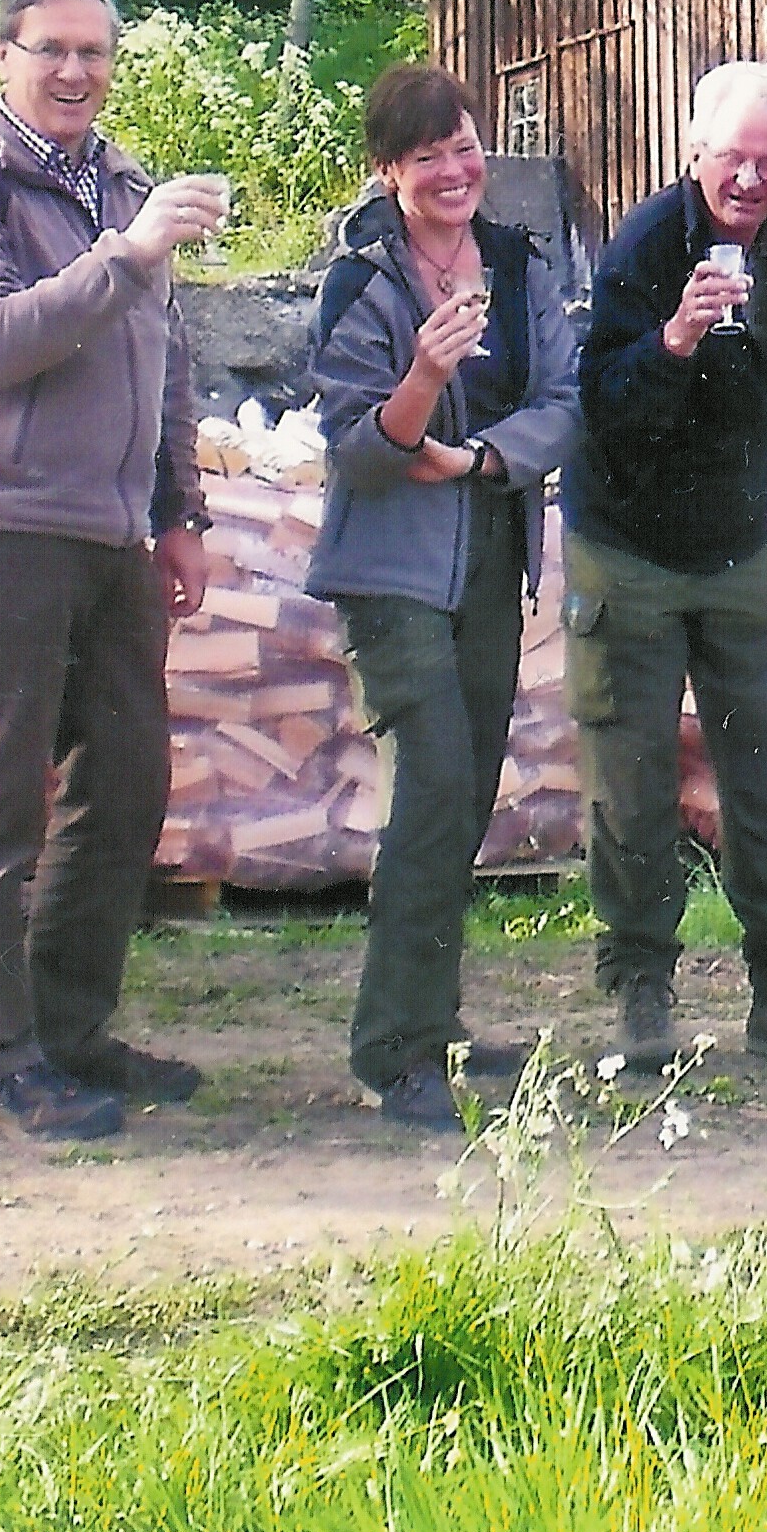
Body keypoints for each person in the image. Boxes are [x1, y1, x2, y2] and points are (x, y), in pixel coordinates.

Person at [0, 0, 226, 1143]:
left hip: (113, 532)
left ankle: (70, 1031)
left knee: (126, 784)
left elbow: (163, 358)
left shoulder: (121, 181)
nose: (76, 71)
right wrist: (125, 253)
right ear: (2, 56)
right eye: (53, 49)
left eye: (94, 52)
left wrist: (181, 508)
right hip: (2, 527)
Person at [566, 60, 767, 1073]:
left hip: (742, 538)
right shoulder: (643, 247)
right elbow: (600, 407)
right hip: (628, 545)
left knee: (766, 776)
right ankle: (640, 997)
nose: (750, 180)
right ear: (694, 151)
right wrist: (675, 339)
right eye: (732, 159)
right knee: (633, 783)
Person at [307, 65, 582, 1130]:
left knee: (463, 798)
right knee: (429, 791)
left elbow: (565, 400)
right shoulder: (362, 282)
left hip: (487, 560)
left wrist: (478, 460)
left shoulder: (517, 264)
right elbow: (358, 449)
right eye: (427, 157)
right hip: (391, 572)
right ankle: (396, 1051)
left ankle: (435, 1015)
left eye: (464, 147)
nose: (455, 171)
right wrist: (422, 376)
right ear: (389, 172)